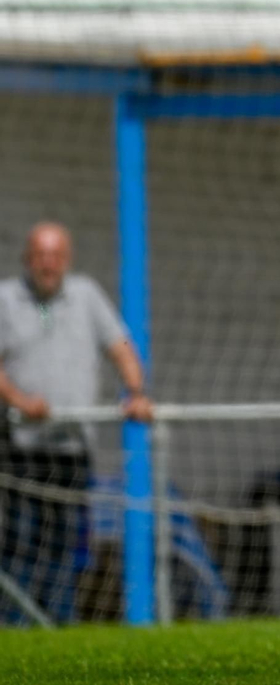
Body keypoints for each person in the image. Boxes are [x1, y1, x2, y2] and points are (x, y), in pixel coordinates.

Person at [0, 222, 153, 626]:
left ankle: (58, 628)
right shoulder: (6, 299)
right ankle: (16, 627)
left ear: (66, 260)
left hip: (72, 452)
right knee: (19, 545)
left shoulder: (86, 296)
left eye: (55, 256)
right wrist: (19, 400)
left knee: (65, 546)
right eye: (40, 255)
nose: (47, 264)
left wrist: (135, 390)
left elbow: (120, 346)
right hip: (21, 450)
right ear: (27, 258)